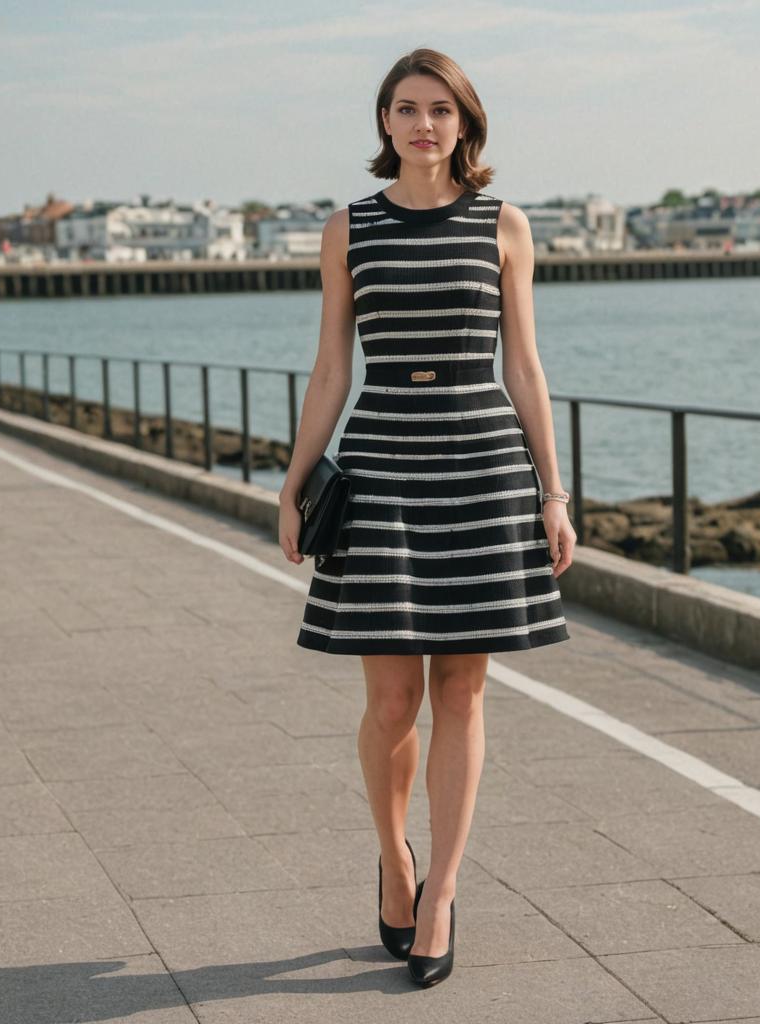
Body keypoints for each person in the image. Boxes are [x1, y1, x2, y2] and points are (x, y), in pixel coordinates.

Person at [278, 47, 575, 988]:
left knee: (461, 692)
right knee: (392, 700)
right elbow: (332, 369)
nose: (423, 125)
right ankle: (395, 857)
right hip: (383, 459)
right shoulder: (348, 229)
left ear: (466, 123)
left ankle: (442, 890)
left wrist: (553, 491)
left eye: (440, 110)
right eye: (406, 109)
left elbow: (525, 368)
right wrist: (292, 485)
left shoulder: (504, 224)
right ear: (384, 124)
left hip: (483, 460)